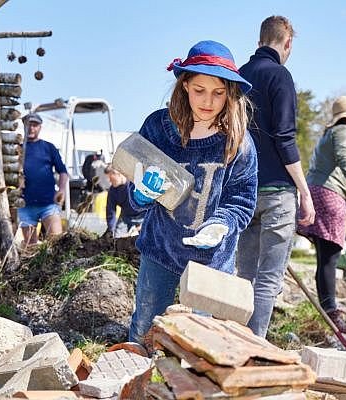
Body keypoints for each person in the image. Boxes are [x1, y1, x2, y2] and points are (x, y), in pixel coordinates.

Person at [126, 40, 258, 350]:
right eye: (200, 90)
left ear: (230, 93)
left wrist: (221, 224)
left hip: (211, 262)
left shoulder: (239, 143)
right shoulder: (158, 128)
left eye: (218, 93)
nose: (208, 101)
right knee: (145, 329)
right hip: (161, 250)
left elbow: (241, 200)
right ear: (185, 84)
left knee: (203, 345)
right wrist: (142, 194)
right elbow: (132, 189)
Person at [235, 15, 315, 337]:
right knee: (268, 278)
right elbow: (284, 137)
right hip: (276, 191)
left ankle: (233, 343)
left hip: (242, 189)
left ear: (259, 41)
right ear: (288, 43)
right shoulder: (280, 76)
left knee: (244, 275)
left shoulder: (238, 77)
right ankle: (254, 348)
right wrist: (304, 191)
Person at [297, 95, 346, 335]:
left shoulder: (330, 133)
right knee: (330, 256)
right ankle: (332, 316)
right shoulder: (343, 130)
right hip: (329, 194)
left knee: (325, 257)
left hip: (318, 191)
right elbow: (343, 156)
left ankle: (328, 314)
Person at [18, 112, 69, 247]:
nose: (31, 128)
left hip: (48, 203)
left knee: (56, 242)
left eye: (35, 125)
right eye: (28, 125)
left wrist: (62, 190)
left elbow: (63, 172)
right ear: (23, 126)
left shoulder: (48, 147)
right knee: (31, 245)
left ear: (40, 127)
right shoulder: (17, 149)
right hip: (25, 204)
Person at [103, 166, 144, 238]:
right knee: (117, 238)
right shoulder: (112, 191)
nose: (109, 181)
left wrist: (145, 224)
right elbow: (111, 211)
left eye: (111, 178)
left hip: (142, 215)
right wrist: (111, 228)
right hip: (126, 217)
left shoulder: (134, 184)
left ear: (118, 174)